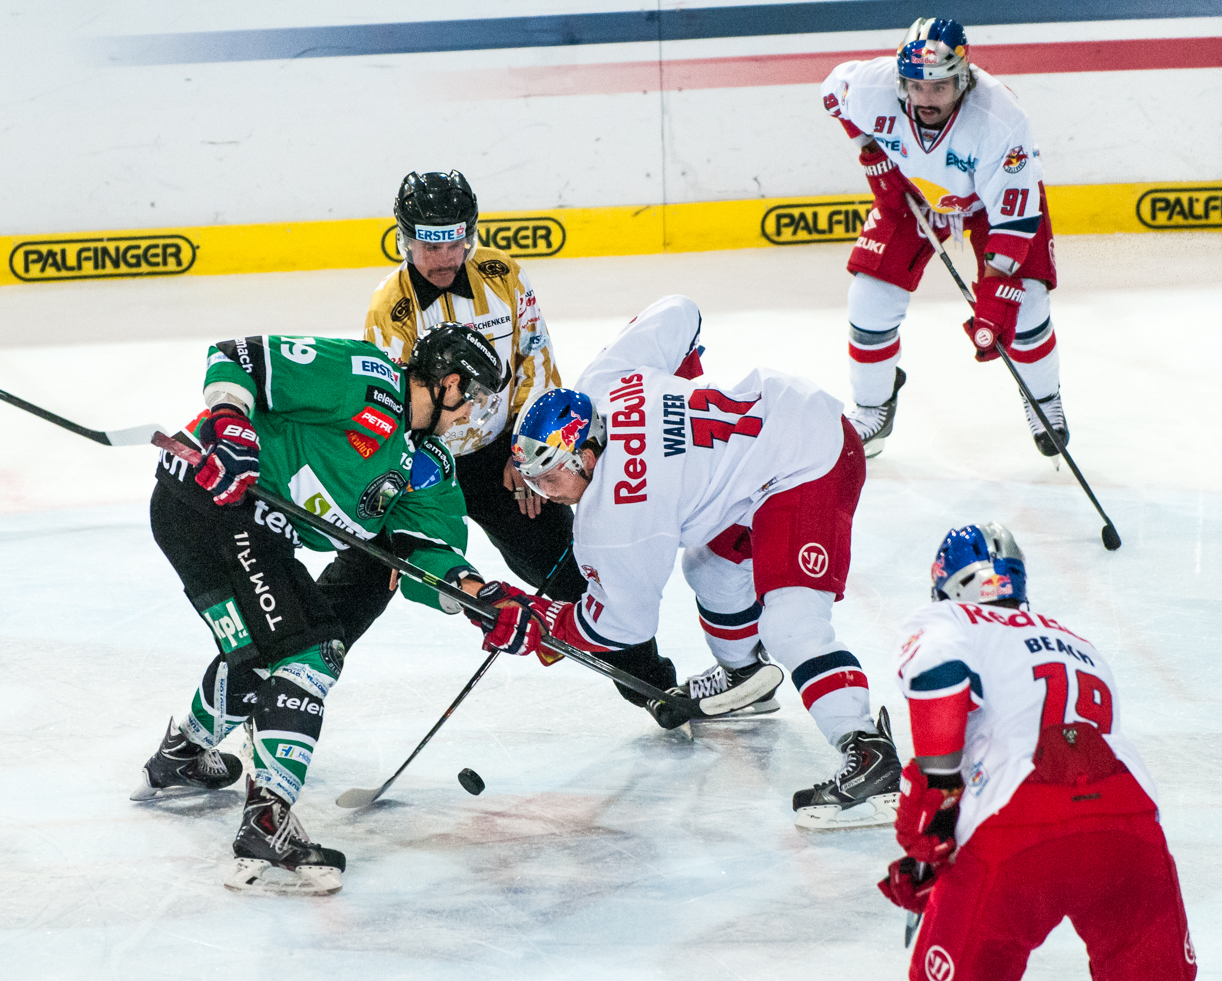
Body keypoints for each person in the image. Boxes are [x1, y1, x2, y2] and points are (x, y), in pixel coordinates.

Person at [469, 295, 903, 829]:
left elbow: (624, 625)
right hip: (776, 422)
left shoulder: (616, 519)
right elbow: (680, 311)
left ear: (585, 457)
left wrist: (538, 623)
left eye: (549, 477)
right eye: (529, 476)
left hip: (811, 459)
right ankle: (745, 674)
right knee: (712, 568)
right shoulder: (600, 384)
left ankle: (867, 748)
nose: (542, 492)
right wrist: (684, 390)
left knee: (792, 623)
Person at [132, 325, 501, 895]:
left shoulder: (428, 463)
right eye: (473, 395)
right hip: (212, 503)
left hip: (238, 527)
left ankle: (181, 754)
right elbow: (236, 356)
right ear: (449, 382)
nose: (473, 412)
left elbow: (425, 550)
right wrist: (231, 427)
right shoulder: (367, 377)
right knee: (310, 651)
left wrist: (473, 593)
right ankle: (267, 822)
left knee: (260, 653)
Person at [881, 524, 1196, 981]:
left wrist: (937, 800)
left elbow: (938, 677)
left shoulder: (952, 620)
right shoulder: (1076, 640)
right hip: (1130, 821)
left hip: (1019, 826)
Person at [324, 170, 582, 645]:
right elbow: (392, 410)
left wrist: (530, 460)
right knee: (363, 580)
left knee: (571, 576)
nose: (444, 259)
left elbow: (536, 360)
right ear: (404, 241)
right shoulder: (389, 307)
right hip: (423, 467)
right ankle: (284, 674)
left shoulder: (503, 276)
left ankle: (657, 687)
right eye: (430, 247)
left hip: (504, 460)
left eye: (455, 244)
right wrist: (412, 485)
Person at [821, 18, 1066, 461]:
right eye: (916, 86)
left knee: (1025, 306)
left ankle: (1044, 401)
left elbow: (1012, 223)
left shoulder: (999, 118)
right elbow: (831, 91)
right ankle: (873, 408)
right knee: (869, 298)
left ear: (963, 78)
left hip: (995, 207)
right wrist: (869, 150)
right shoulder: (873, 87)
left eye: (939, 86)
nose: (926, 99)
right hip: (918, 195)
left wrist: (995, 293)